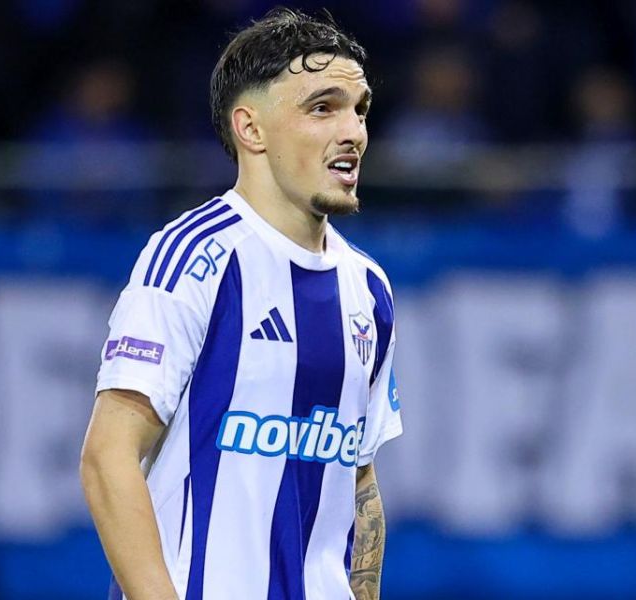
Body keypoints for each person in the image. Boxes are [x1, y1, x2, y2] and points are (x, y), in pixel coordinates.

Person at [80, 8, 403, 600]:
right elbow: (108, 457)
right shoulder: (193, 257)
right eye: (323, 108)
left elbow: (358, 481)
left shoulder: (369, 288)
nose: (354, 132)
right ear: (251, 129)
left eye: (359, 109)